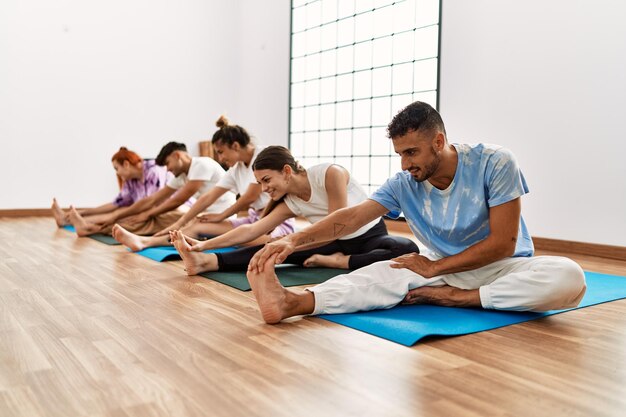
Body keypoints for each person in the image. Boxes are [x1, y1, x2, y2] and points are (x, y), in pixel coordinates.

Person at [245, 101, 587, 324]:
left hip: (505, 267)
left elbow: (503, 243)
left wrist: (440, 273)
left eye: (412, 152)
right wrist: (292, 241)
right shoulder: (403, 183)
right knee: (380, 275)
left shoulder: (494, 162)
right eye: (400, 154)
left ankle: (464, 300)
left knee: (568, 275)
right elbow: (349, 218)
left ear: (438, 142)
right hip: (445, 268)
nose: (406, 164)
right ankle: (294, 303)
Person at [169, 145, 419, 275]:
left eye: (267, 180)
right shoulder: (290, 201)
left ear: (287, 171)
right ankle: (207, 263)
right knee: (272, 247)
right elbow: (252, 229)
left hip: (368, 237)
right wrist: (203, 246)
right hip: (328, 241)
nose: (264, 188)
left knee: (405, 248)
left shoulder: (330, 174)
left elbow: (337, 224)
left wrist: (294, 242)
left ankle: (341, 263)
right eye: (260, 183)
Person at [111, 115, 294, 251]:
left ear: (236, 146)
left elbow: (249, 197)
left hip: (275, 222)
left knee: (245, 238)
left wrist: (221, 215)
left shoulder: (261, 157)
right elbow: (208, 197)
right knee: (196, 227)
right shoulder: (236, 168)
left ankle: (202, 246)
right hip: (253, 219)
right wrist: (181, 223)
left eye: (221, 152)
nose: (220, 158)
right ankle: (145, 242)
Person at [69, 141, 235, 238]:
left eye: (168, 164)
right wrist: (118, 215)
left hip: (216, 216)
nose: (167, 170)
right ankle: (92, 227)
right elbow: (152, 199)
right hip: (200, 215)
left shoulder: (201, 164)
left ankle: (93, 228)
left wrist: (147, 213)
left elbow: (178, 199)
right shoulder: (182, 175)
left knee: (151, 220)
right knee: (146, 218)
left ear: (177, 156)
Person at [52, 147, 170, 231]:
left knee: (121, 214)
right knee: (119, 211)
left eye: (116, 168)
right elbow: (116, 204)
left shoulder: (154, 170)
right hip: (148, 209)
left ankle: (83, 225)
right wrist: (83, 212)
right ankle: (67, 220)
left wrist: (118, 215)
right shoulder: (131, 179)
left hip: (165, 211)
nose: (117, 173)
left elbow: (151, 204)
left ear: (126, 164)